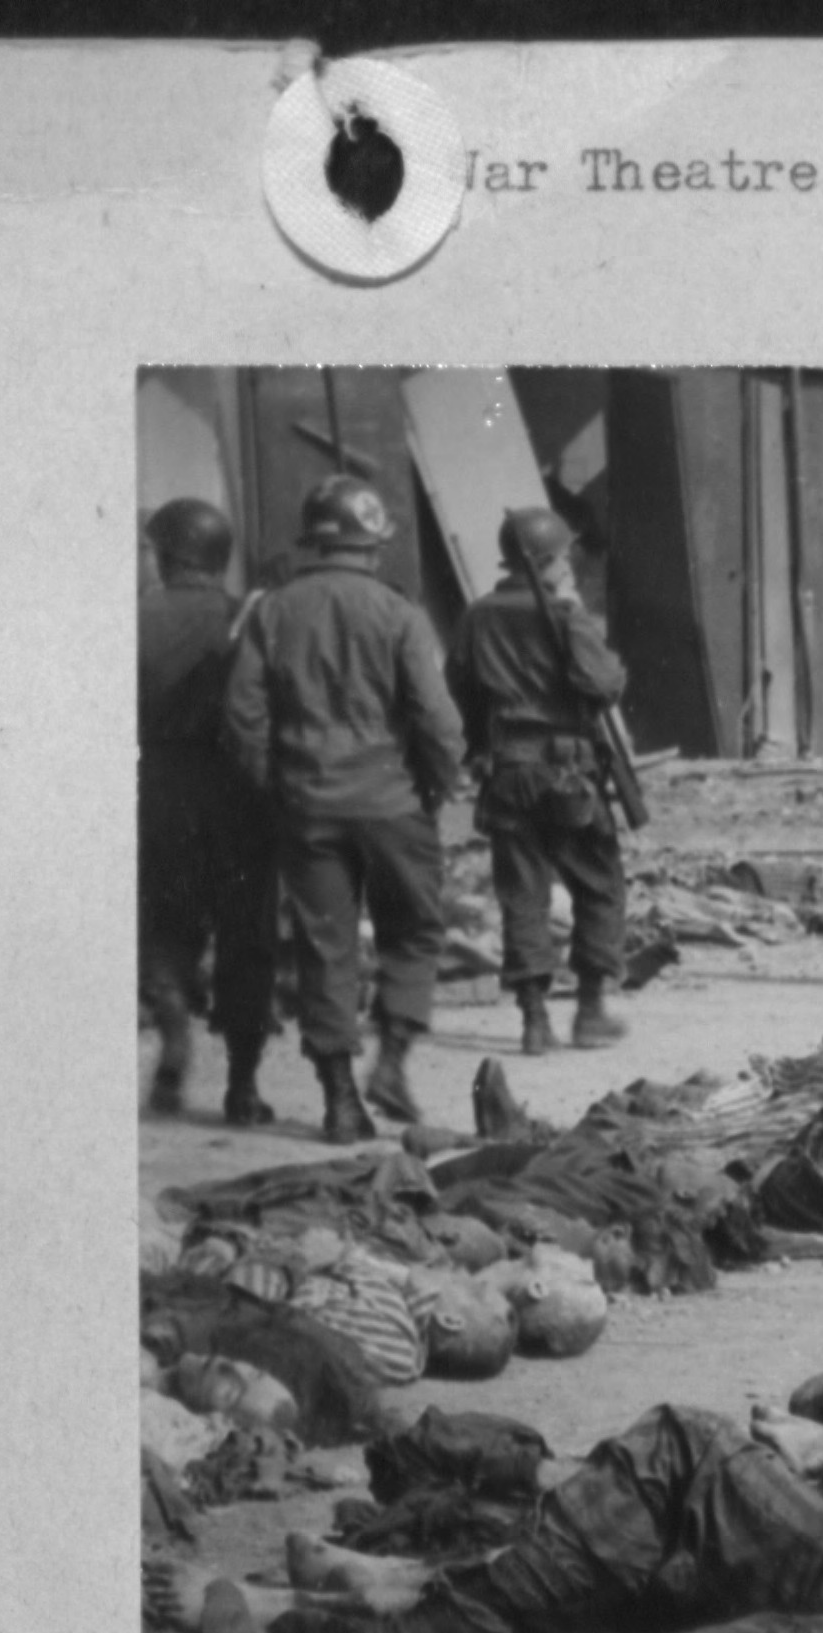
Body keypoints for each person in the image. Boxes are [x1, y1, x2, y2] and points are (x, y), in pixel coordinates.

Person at [222, 473, 462, 1147]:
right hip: (393, 802)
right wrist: (436, 788)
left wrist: (280, 783)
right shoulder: (400, 614)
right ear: (374, 546)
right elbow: (439, 722)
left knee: (327, 948)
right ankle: (391, 1061)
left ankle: (340, 1102)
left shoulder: (272, 610)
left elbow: (242, 715)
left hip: (307, 804)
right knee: (413, 929)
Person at [447, 505, 636, 1059]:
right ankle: (592, 1009)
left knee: (522, 895)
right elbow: (602, 684)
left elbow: (458, 693)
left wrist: (483, 746)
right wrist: (577, 619)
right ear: (551, 559)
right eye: (565, 556)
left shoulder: (477, 617)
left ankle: (534, 1022)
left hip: (509, 770)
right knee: (600, 884)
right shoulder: (564, 614)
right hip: (568, 771)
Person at [138, 497, 279, 1127]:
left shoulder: (134, 617)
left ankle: (173, 1042)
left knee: (167, 927)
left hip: (162, 789)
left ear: (168, 553)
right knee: (245, 935)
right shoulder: (249, 616)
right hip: (237, 793)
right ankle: (243, 1087)